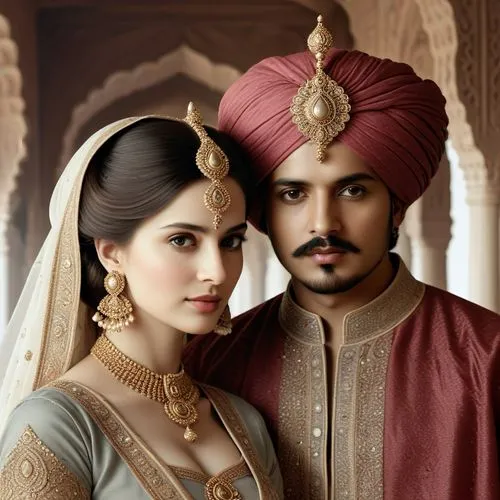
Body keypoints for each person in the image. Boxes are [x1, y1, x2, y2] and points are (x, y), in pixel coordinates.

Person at [183, 16, 500, 500]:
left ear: (396, 203)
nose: (323, 224)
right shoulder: (211, 362)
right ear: (262, 210)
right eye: (293, 194)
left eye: (353, 190)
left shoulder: (486, 357)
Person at [0, 104, 283, 499]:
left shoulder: (243, 421)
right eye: (182, 240)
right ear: (112, 253)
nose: (217, 272)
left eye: (231, 241)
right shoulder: (57, 424)